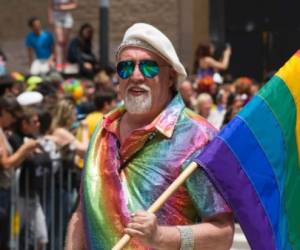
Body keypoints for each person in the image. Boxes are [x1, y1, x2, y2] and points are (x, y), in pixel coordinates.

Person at [66, 23, 234, 250]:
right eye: (125, 68)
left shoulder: (198, 136)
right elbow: (81, 212)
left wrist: (161, 237)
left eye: (148, 67)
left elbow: (222, 234)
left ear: (170, 76)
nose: (135, 76)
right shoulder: (103, 129)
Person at [0, 96, 38, 250]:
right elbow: (6, 163)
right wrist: (25, 149)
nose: (14, 120)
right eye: (13, 115)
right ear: (3, 111)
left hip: (6, 189)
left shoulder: (3, 131)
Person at [48, 0, 77, 72]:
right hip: (56, 18)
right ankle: (59, 63)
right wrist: (50, 18)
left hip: (67, 18)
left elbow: (74, 5)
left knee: (65, 41)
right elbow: (50, 6)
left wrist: (62, 8)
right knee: (59, 40)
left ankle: (65, 62)